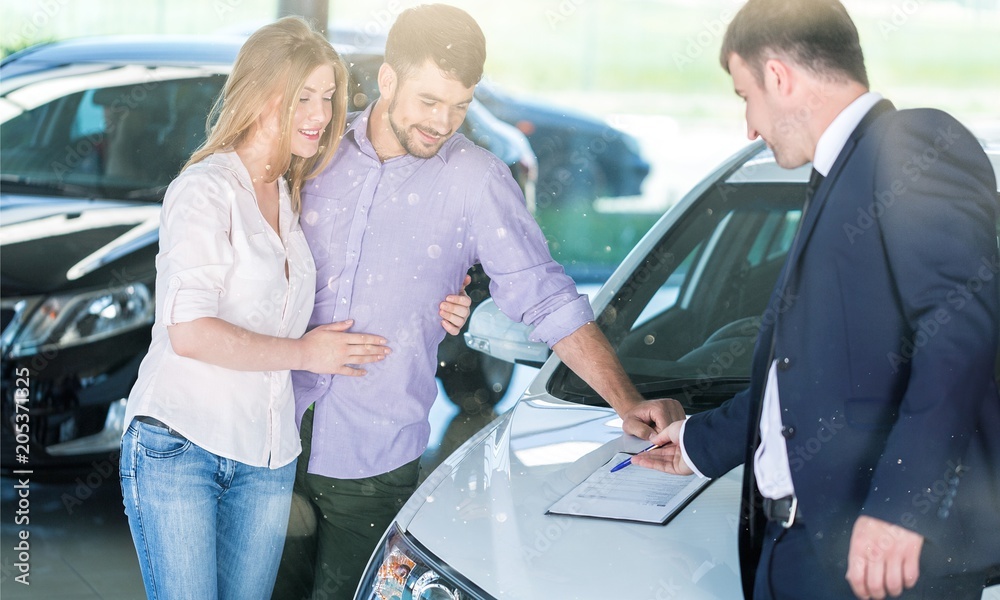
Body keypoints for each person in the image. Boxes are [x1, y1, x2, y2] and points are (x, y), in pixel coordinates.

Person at [272, 5, 684, 599]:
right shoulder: (317, 148)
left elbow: (545, 296)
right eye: (429, 101)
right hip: (269, 439)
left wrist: (626, 402)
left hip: (373, 459)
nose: (444, 123)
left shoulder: (477, 181)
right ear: (388, 80)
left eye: (461, 105)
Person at [631, 1, 1000, 599]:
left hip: (874, 563)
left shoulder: (912, 144)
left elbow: (958, 330)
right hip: (795, 551)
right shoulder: (835, 177)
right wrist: (700, 442)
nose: (749, 125)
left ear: (779, 76)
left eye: (744, 94)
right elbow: (806, 370)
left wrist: (902, 508)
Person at [118, 17, 471, 599]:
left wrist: (445, 291)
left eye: (329, 97)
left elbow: (376, 246)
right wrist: (307, 352)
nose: (321, 113)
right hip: (180, 445)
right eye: (302, 97)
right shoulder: (205, 191)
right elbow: (190, 332)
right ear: (259, 96)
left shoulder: (293, 190)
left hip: (268, 458)